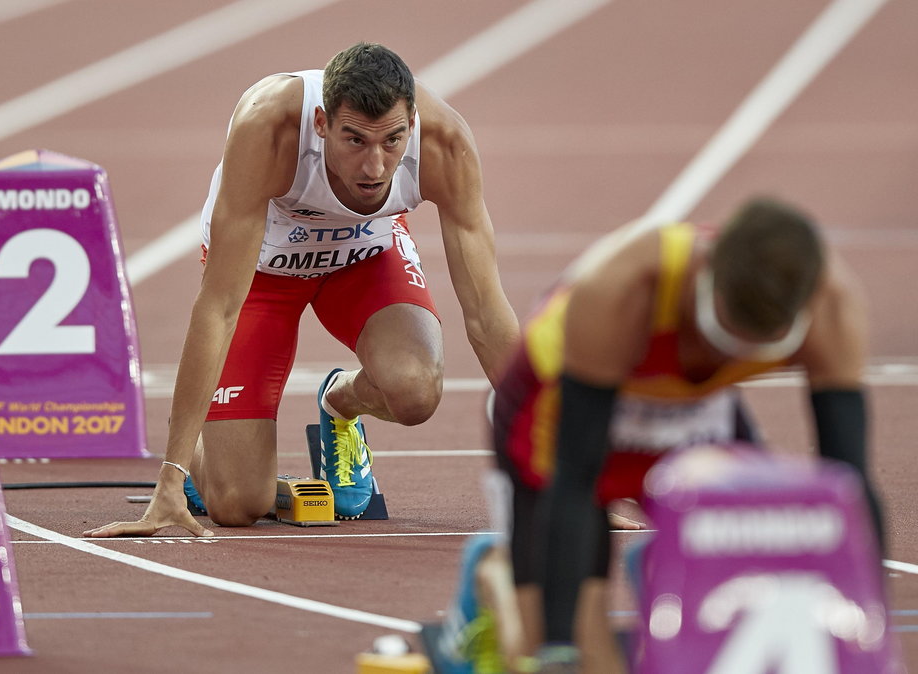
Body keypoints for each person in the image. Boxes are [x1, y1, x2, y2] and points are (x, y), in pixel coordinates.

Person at [84, 42, 520, 537]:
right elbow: (219, 308)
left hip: (364, 258)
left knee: (416, 391)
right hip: (263, 270)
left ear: (413, 124)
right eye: (355, 141)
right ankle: (210, 451)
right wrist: (170, 476)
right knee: (237, 504)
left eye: (393, 141)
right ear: (321, 123)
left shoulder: (445, 143)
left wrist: (566, 483)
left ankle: (340, 404)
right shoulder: (268, 127)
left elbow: (487, 314)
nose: (375, 167)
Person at [431, 197, 885, 672]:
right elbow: (578, 482)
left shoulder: (831, 305)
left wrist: (871, 633)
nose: (729, 355)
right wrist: (559, 649)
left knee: (754, 581)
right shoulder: (621, 287)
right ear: (707, 276)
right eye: (724, 336)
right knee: (581, 658)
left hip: (694, 411)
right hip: (563, 406)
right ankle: (496, 573)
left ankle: (664, 565)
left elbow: (850, 483)